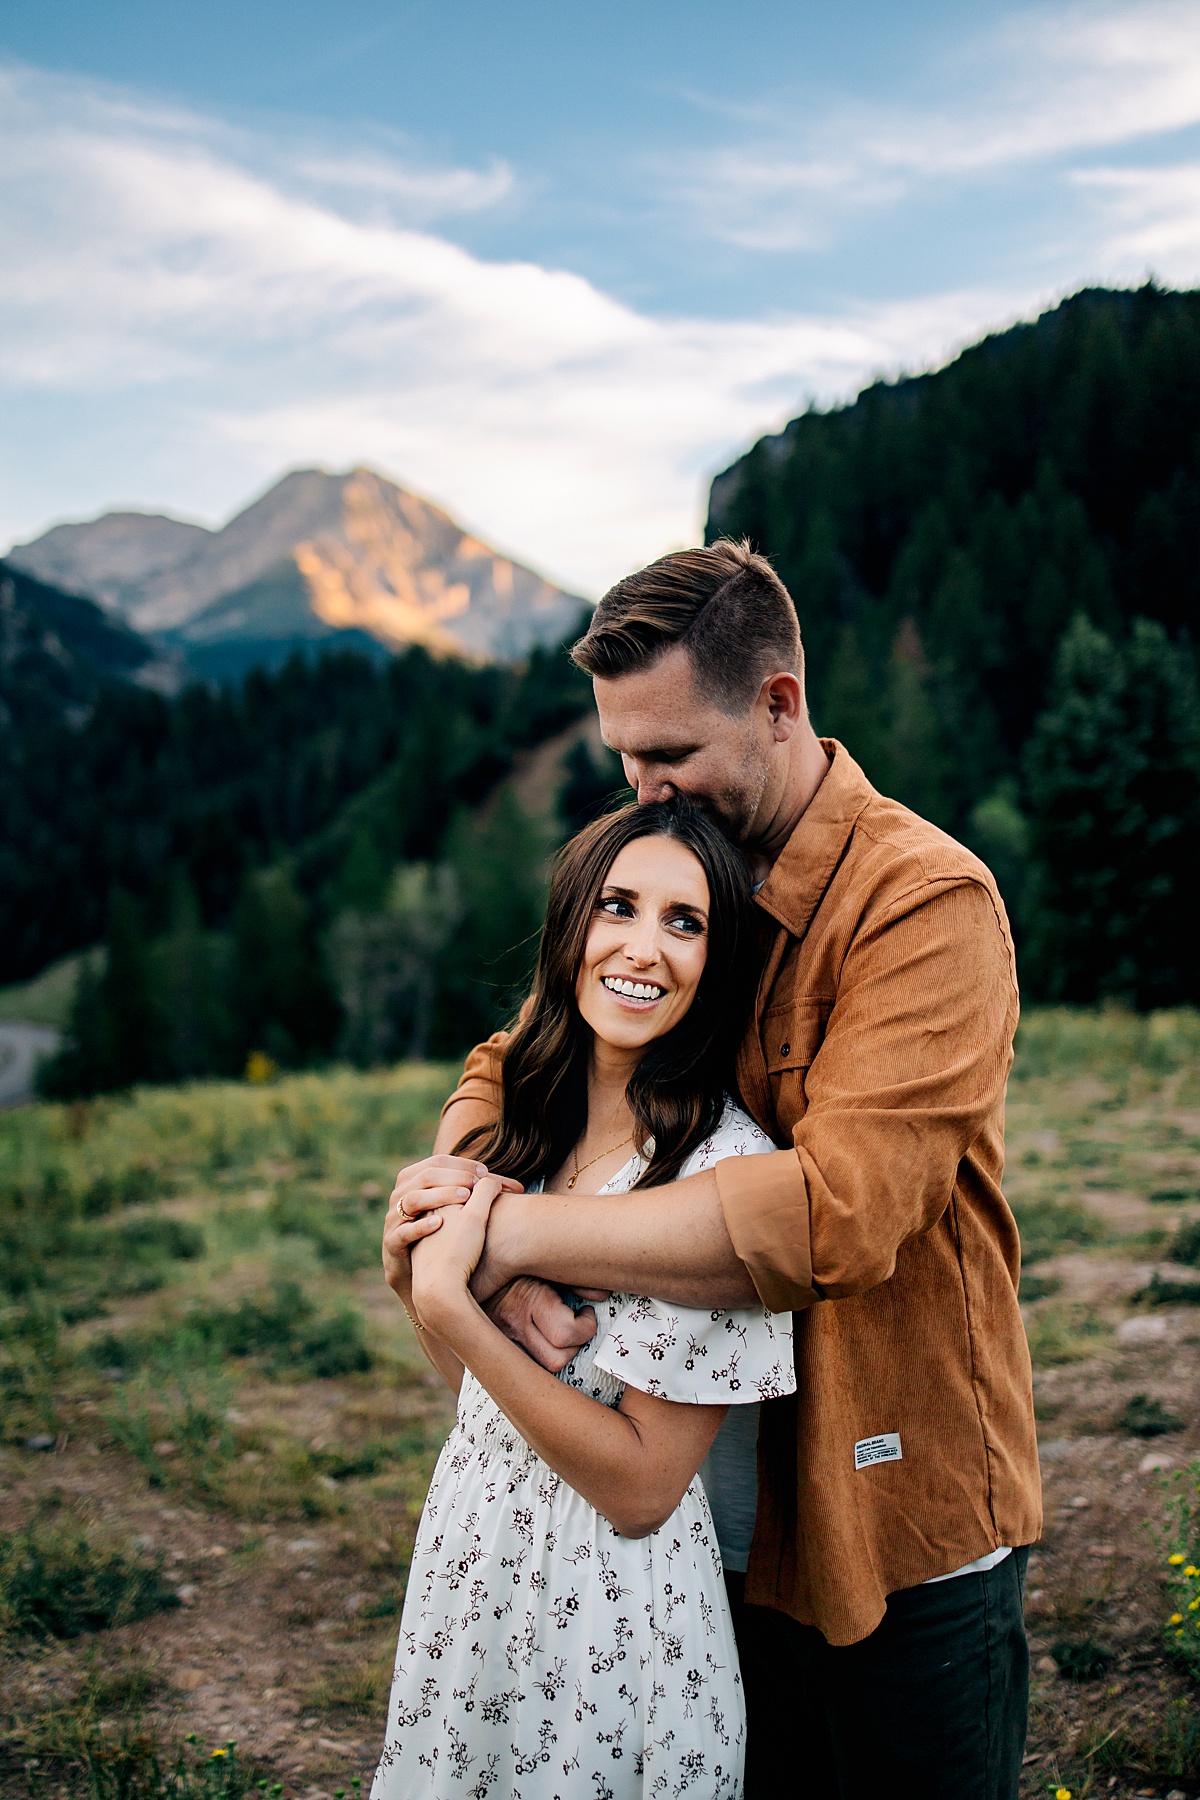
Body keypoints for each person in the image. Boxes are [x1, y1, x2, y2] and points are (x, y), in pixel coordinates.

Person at [387, 539, 1042, 1800]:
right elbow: (514, 1054)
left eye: (670, 753)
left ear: (778, 702)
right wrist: (454, 1186)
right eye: (623, 756)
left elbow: (831, 1218)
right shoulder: (674, 867)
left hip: (883, 1517)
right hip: (700, 1541)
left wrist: (510, 1239)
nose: (641, 788)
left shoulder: (924, 902)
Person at [374, 799, 795, 1800]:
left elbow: (645, 1488)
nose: (645, 949)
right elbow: (479, 1395)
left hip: (614, 1607)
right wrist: (419, 1284)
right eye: (619, 906)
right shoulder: (523, 1124)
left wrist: (452, 1312)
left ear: (716, 957)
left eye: (684, 922)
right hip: (474, 1560)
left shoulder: (718, 1169)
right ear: (572, 925)